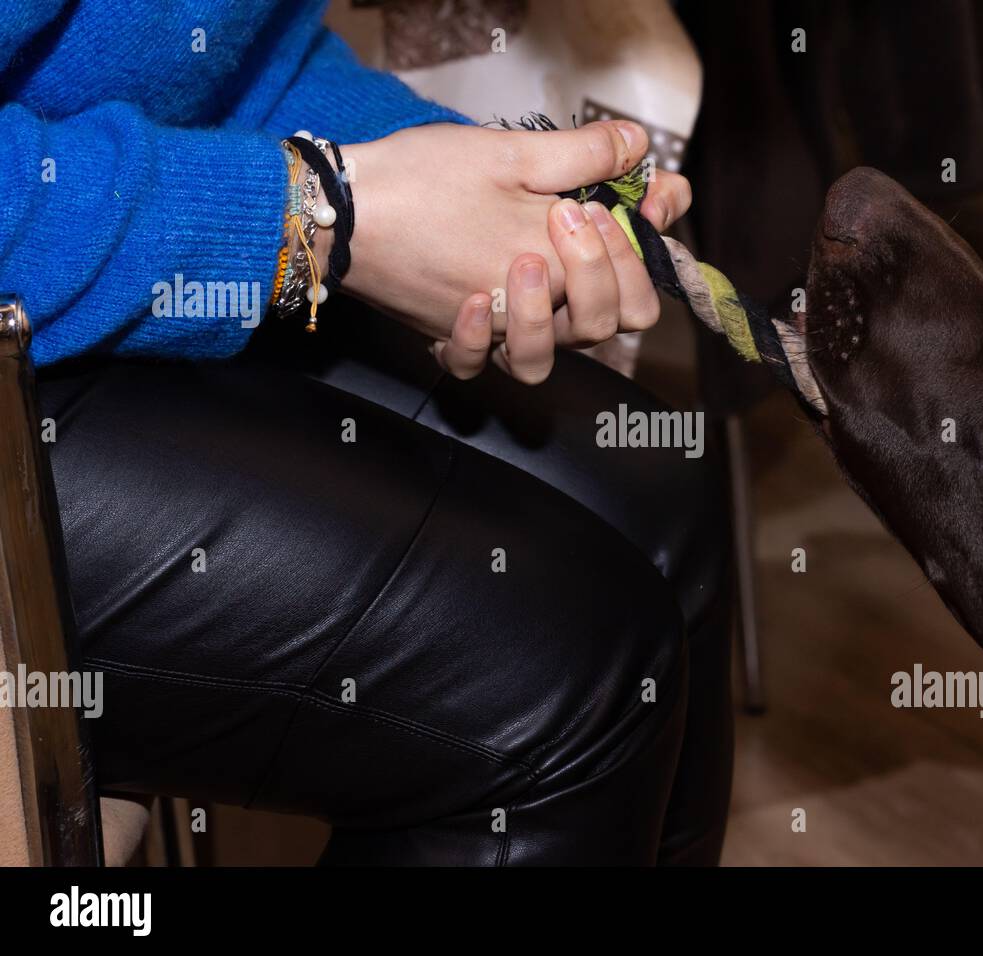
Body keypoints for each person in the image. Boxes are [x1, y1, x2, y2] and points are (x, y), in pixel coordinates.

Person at [2, 0, 732, 864]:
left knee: (657, 491)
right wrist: (315, 218)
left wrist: (471, 192)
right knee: (555, 676)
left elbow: (227, 53)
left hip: (93, 226)